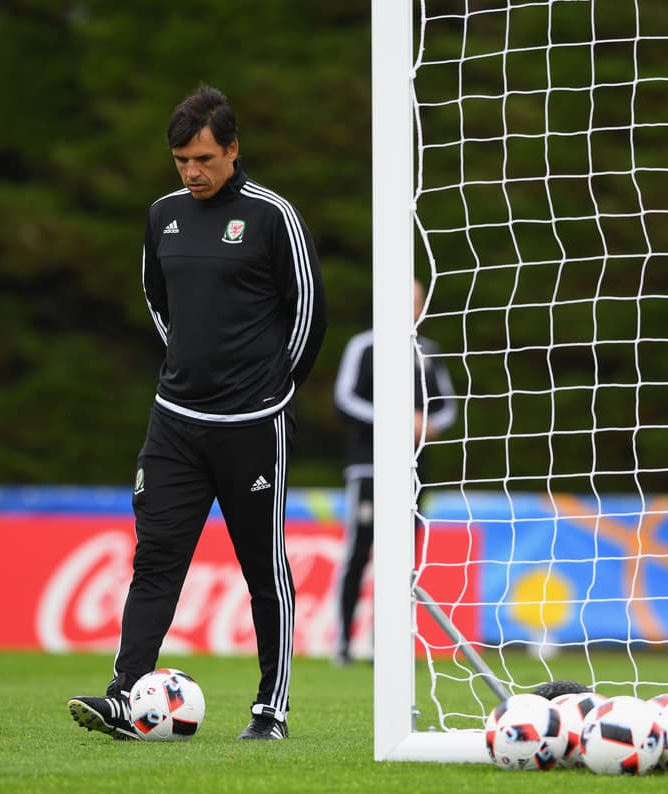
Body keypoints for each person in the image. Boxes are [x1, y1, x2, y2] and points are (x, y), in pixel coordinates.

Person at [68, 84, 326, 741]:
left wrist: (268, 389)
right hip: (175, 424)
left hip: (253, 429)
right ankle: (124, 698)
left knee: (262, 567)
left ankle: (271, 710)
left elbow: (309, 316)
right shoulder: (162, 216)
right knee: (155, 560)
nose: (193, 171)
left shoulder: (273, 216)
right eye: (182, 160)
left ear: (233, 150)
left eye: (205, 158)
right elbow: (158, 303)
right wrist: (190, 367)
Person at [332, 280, 455, 665]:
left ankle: (386, 644)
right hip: (369, 466)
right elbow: (344, 398)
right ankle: (344, 644)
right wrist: (397, 420)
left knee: (403, 558)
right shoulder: (364, 345)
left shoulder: (428, 351)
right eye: (405, 301)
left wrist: (427, 424)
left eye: (417, 301)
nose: (412, 308)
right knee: (360, 551)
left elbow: (448, 407)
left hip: (413, 469)